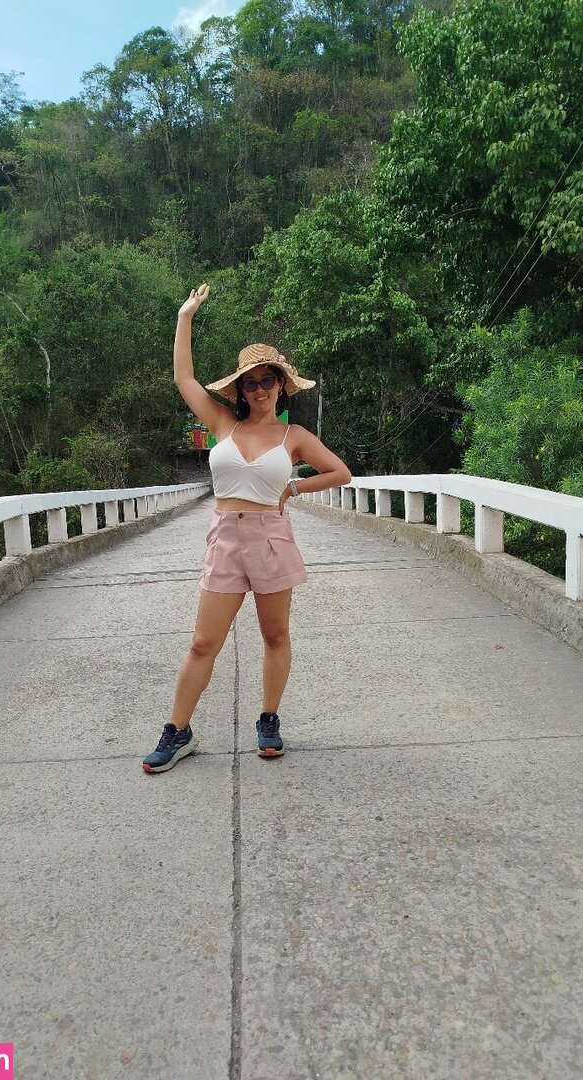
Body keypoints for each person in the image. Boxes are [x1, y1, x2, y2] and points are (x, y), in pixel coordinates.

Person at [142, 283, 351, 773]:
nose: (259, 390)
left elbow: (340, 473)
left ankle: (269, 721)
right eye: (251, 383)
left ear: (281, 386)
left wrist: (294, 488)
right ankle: (178, 731)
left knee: (275, 636)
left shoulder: (294, 435)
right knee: (203, 642)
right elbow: (184, 378)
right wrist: (185, 316)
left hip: (271, 538)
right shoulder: (222, 423)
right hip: (226, 538)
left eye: (267, 381)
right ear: (239, 389)